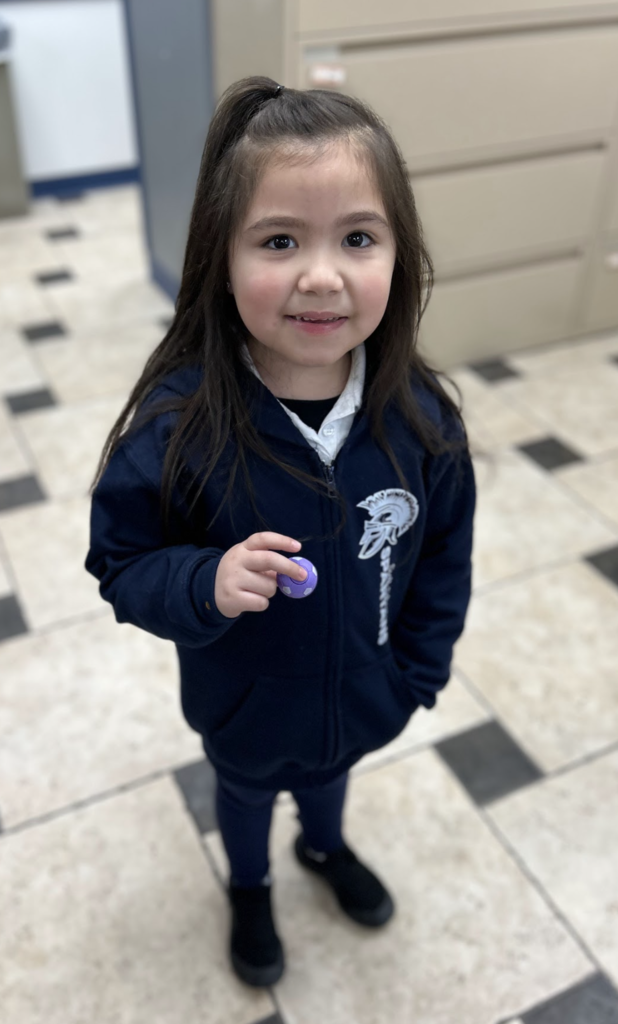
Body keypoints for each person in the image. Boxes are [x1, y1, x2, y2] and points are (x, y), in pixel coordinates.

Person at [86, 76, 476, 988]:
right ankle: (251, 884)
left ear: (399, 253)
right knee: (248, 792)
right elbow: (122, 562)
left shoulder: (423, 421)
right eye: (279, 240)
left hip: (365, 694)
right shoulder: (176, 428)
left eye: (358, 238)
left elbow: (444, 560)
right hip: (245, 709)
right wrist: (204, 582)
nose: (322, 275)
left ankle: (324, 847)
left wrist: (415, 673)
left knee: (331, 776)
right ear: (220, 258)